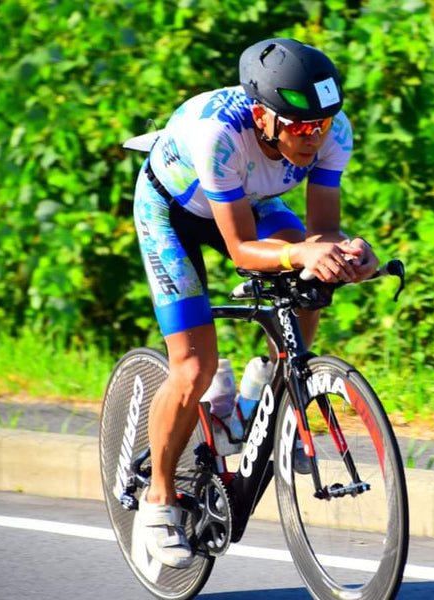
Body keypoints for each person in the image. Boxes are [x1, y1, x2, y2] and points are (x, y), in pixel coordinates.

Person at [132, 38, 378, 568]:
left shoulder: (330, 130)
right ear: (263, 118)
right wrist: (303, 252)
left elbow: (323, 230)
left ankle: (263, 396)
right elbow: (243, 249)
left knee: (315, 270)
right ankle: (158, 503)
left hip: (252, 202)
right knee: (193, 365)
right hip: (172, 212)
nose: (314, 137)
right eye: (300, 127)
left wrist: (349, 253)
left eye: (323, 125)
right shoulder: (221, 134)